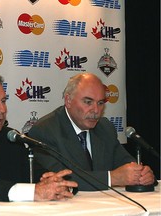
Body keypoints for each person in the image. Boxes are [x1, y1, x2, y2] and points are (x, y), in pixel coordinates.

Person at [0, 72, 78, 201]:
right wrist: (32, 192)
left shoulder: (9, 137)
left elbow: (34, 173)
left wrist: (58, 184)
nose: (2, 109)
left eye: (3, 101)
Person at [28, 72, 156, 191]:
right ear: (68, 100)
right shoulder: (45, 130)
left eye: (100, 103)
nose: (96, 110)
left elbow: (126, 163)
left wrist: (142, 173)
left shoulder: (105, 127)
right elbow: (58, 179)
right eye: (88, 102)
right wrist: (112, 178)